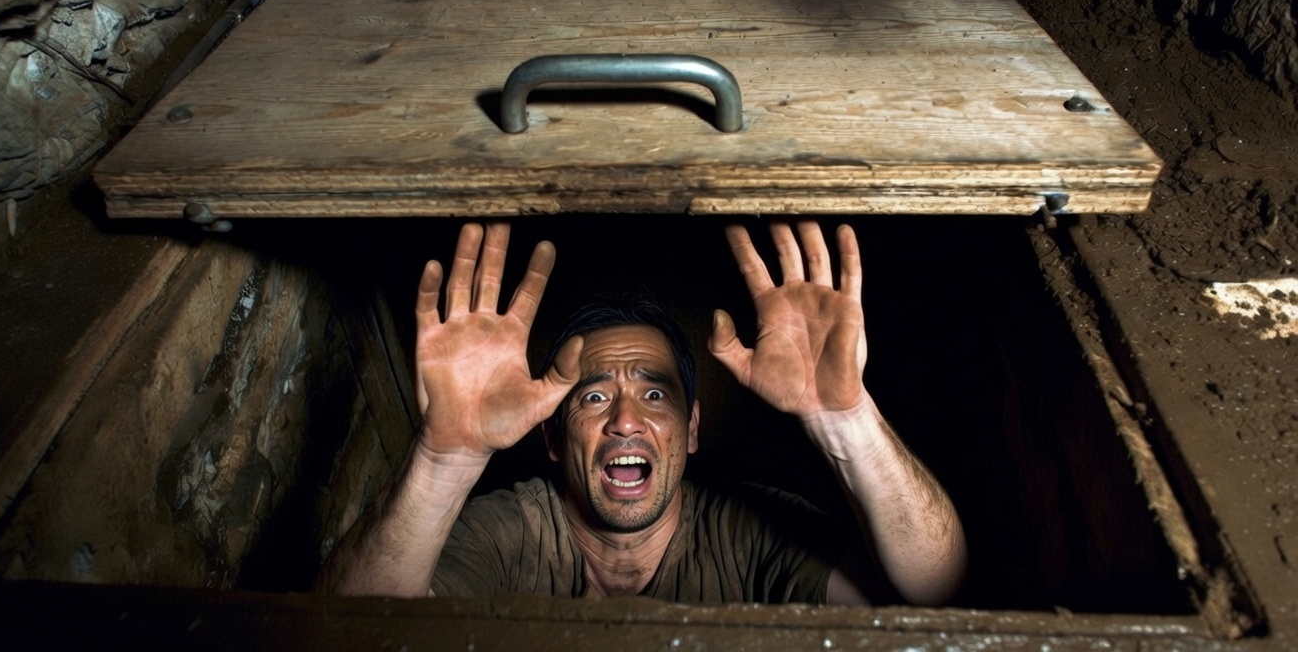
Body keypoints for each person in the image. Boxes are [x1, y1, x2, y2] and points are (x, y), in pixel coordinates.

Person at [316, 220, 967, 605]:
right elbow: (349, 627)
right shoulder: (508, 531)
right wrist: (447, 457)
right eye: (594, 396)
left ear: (691, 429)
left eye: (655, 395)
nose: (625, 421)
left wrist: (845, 419)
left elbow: (931, 587)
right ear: (552, 438)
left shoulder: (744, 531)